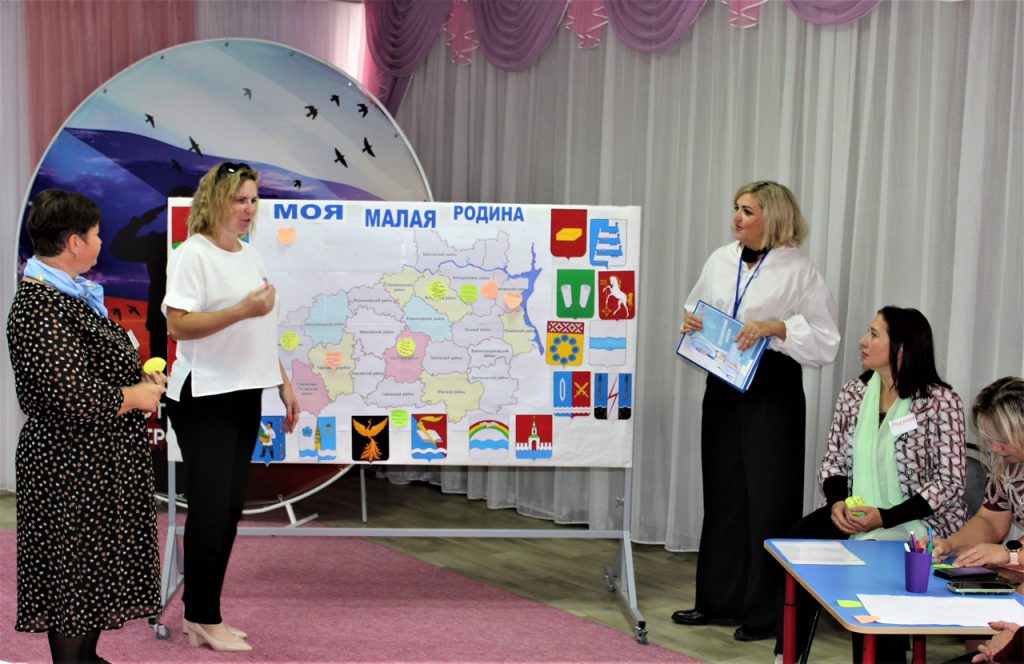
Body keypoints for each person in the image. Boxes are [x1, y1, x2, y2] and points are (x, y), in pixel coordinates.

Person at [674, 180, 841, 641]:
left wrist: (778, 328)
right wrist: (692, 321)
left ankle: (766, 614)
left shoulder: (799, 269)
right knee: (723, 494)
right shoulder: (720, 259)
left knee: (769, 498)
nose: (737, 217)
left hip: (772, 386)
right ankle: (717, 601)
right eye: (737, 208)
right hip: (723, 381)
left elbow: (826, 339)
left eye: (747, 211)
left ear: (774, 216)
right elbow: (696, 308)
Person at [7, 189, 165, 663]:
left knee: (93, 572)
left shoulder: (67, 295)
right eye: (96, 234)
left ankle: (87, 657)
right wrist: (134, 396)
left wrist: (139, 382)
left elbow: (89, 374)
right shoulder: (39, 305)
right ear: (74, 242)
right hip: (70, 465)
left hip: (95, 462)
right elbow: (72, 394)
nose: (101, 242)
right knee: (73, 576)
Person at [774, 306, 969, 663]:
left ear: (902, 348)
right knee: (798, 544)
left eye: (874, 334)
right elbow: (833, 461)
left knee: (871, 568)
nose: (863, 341)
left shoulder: (941, 402)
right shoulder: (854, 392)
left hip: (922, 524)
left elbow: (950, 481)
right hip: (860, 511)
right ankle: (788, 654)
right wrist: (838, 503)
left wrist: (886, 517)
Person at [163, 162, 300, 652]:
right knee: (210, 509)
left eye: (253, 200)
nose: (248, 208)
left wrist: (283, 382)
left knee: (228, 511)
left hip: (245, 393)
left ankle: (203, 612)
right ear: (215, 200)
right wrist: (242, 309)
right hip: (204, 397)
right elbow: (178, 325)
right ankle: (203, 617)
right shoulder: (192, 255)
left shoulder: (251, 254)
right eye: (239, 199)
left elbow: (260, 328)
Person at [932, 377, 1024, 664]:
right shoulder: (1009, 466)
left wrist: (1009, 554)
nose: (995, 448)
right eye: (990, 438)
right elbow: (990, 521)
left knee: (1009, 613)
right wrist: (951, 544)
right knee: (979, 606)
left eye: (1002, 438)